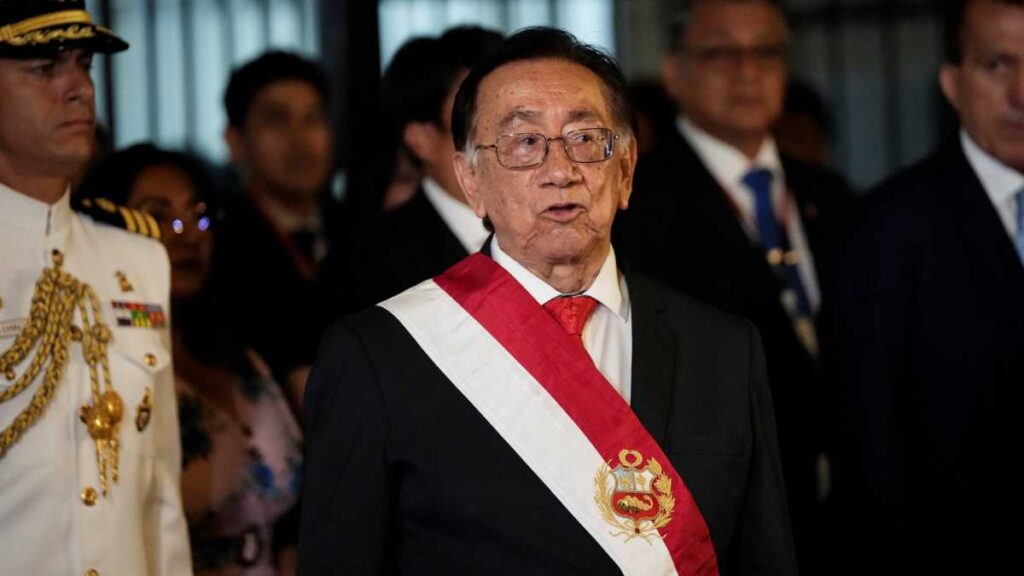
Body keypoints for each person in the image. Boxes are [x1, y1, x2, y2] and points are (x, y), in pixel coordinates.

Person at [299, 27, 795, 575]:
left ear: (626, 170)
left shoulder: (723, 349)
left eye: (585, 138)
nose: (561, 171)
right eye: (524, 143)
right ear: (471, 180)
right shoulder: (378, 356)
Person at [613, 2, 851, 569]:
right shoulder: (636, 205)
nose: (748, 71)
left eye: (765, 52)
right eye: (721, 53)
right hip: (727, 515)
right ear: (673, 71)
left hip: (848, 518)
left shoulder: (834, 196)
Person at [0, 2, 191, 574]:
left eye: (83, 65)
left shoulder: (137, 258)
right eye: (44, 68)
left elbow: (160, 494)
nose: (80, 88)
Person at [834, 0, 1024, 573]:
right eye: (998, 65)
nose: (1021, 93)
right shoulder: (887, 229)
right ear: (952, 83)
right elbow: (871, 447)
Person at [78, 144, 304, 576]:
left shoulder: (241, 353)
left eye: (198, 215)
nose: (188, 234)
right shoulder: (102, 370)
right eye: (158, 216)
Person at [319, 26, 503, 318]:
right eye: (481, 116)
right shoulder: (365, 263)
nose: (511, 135)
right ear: (422, 140)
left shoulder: (556, 230)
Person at [213, 51, 335, 407]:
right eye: (277, 121)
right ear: (235, 141)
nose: (300, 140)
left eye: (312, 119)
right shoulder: (219, 245)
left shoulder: (364, 228)